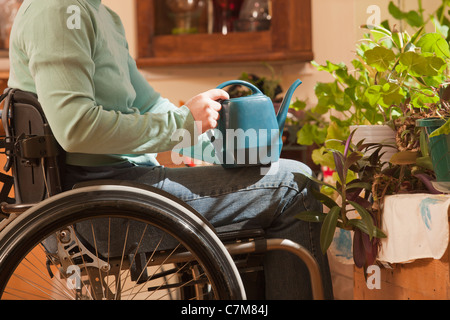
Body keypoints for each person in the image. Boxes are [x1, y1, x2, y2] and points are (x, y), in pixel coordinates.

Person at [8, 0, 333, 300]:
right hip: (98, 206)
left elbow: (148, 103)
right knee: (296, 185)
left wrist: (219, 147)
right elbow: (77, 129)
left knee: (279, 178)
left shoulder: (101, 15)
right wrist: (182, 123)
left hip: (120, 187)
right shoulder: (60, 10)